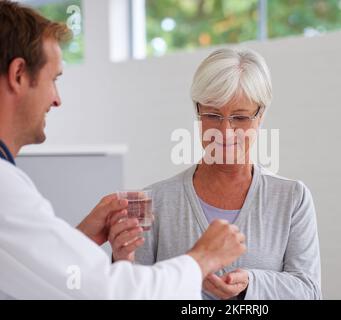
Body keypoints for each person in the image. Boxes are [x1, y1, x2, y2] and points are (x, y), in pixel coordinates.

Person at [0, 0, 246, 299]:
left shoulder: (293, 198)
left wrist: (80, 238)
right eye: (54, 80)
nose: (57, 99)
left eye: (242, 117)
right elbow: (111, 292)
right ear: (18, 75)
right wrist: (202, 259)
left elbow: (31, 276)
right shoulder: (6, 189)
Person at [110, 48, 322, 299]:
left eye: (240, 118)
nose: (226, 132)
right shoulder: (149, 200)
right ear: (197, 112)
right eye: (212, 115)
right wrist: (120, 262)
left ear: (260, 116)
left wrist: (250, 285)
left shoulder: (293, 198)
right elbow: (130, 293)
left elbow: (310, 292)